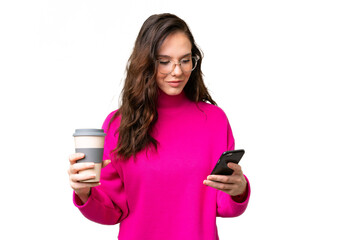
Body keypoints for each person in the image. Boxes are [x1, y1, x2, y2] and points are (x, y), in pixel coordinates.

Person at [68, 13, 250, 240]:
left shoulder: (214, 120)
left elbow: (222, 205)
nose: (177, 71)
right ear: (145, 63)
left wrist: (239, 189)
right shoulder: (118, 124)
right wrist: (85, 193)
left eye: (185, 60)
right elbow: (112, 211)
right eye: (164, 61)